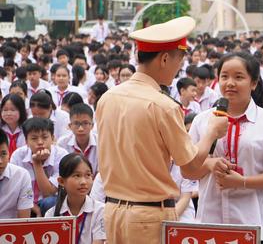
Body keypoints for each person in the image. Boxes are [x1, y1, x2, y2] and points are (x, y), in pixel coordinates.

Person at [96, 16, 228, 243]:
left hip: (113, 211)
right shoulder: (164, 106)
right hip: (147, 217)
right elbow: (190, 168)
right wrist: (211, 132)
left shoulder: (108, 97)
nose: (178, 70)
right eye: (179, 62)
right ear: (165, 59)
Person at [188, 51, 263, 243]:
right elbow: (188, 172)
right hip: (211, 224)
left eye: (239, 77)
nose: (230, 83)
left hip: (255, 223)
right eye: (224, 76)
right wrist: (210, 164)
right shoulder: (202, 121)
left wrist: (242, 181)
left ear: (253, 83)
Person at [10, 118, 69, 216]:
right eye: (34, 138)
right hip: (23, 203)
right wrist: (31, 205)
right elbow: (14, 190)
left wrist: (37, 163)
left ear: (53, 138)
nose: (40, 142)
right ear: (26, 141)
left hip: (50, 203)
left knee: (50, 203)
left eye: (45, 137)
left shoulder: (61, 155)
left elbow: (48, 193)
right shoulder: (18, 155)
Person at [45, 154, 106, 244]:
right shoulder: (51, 214)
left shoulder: (100, 210)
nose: (83, 182)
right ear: (61, 181)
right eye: (77, 176)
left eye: (88, 175)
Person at [0, 128, 33, 218]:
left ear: (9, 152)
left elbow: (24, 219)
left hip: (11, 230)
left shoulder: (21, 175)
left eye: (3, 154)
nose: (0, 161)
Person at [57, 104, 98, 175]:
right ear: (70, 126)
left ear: (92, 125)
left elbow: (102, 172)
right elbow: (62, 171)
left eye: (85, 123)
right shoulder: (62, 143)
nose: (81, 129)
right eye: (76, 123)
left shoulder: (100, 142)